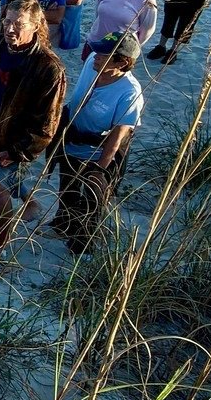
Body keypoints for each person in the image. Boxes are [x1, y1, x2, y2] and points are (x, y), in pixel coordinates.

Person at [0, 0, 66, 259]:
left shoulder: (48, 67)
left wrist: (17, 152)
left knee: (0, 193)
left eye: (19, 24)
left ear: (35, 26)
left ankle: (0, 247)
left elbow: (48, 123)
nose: (10, 29)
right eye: (7, 21)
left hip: (15, 142)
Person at [52, 30, 144, 256]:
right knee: (67, 187)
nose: (96, 55)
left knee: (93, 199)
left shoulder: (130, 92)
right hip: (73, 139)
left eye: (105, 54)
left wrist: (100, 169)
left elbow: (119, 134)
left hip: (99, 150)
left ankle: (82, 245)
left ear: (122, 62)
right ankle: (63, 223)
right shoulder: (93, 62)